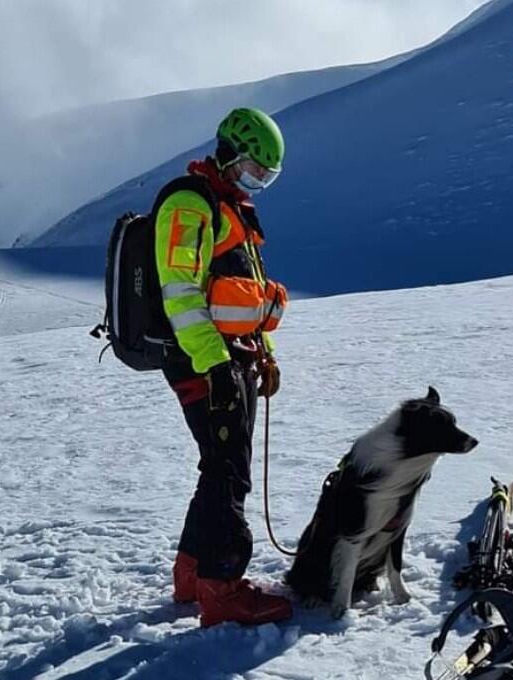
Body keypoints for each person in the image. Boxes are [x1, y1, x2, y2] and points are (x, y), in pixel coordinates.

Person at [156, 108, 291, 628]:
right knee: (230, 472)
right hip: (202, 360)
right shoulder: (190, 205)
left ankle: (191, 575)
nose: (258, 182)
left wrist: (264, 356)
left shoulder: (230, 207)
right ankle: (223, 589)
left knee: (219, 464)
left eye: (266, 177)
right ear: (229, 154)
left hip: (229, 358)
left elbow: (242, 300)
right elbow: (182, 294)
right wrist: (213, 366)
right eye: (254, 170)